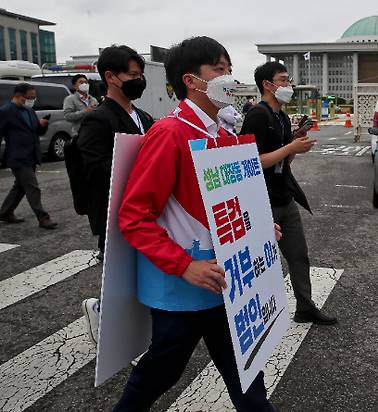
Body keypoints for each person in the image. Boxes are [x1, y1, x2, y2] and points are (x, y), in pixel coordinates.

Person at [114, 36, 277, 411]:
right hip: (181, 290)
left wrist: (259, 230)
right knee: (161, 372)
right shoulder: (170, 134)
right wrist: (183, 265)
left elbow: (230, 205)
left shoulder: (222, 134)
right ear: (191, 79)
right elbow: (134, 216)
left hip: (227, 283)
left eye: (230, 69)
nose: (229, 78)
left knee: (247, 375)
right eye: (219, 69)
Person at [240, 62, 337, 325]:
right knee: (262, 264)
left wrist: (295, 143)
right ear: (267, 85)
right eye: (283, 80)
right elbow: (251, 161)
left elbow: (283, 162)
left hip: (285, 197)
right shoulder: (257, 116)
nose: (288, 85)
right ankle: (258, 317)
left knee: (298, 256)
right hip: (263, 202)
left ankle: (305, 307)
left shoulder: (281, 116)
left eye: (288, 80)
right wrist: (289, 147)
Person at [78, 45, 154, 345]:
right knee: (123, 278)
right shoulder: (99, 119)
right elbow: (94, 167)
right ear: (111, 77)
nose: (139, 81)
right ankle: (120, 334)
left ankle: (120, 323)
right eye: (133, 75)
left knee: (139, 275)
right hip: (116, 212)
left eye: (141, 75)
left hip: (145, 209)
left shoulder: (144, 117)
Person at [0, 83, 57, 229]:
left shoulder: (29, 111)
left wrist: (42, 125)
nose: (32, 100)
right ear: (18, 96)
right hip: (17, 156)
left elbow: (36, 131)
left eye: (34, 98)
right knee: (32, 187)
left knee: (19, 187)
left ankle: (5, 212)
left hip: (32, 154)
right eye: (29, 97)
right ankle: (43, 218)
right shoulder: (6, 111)